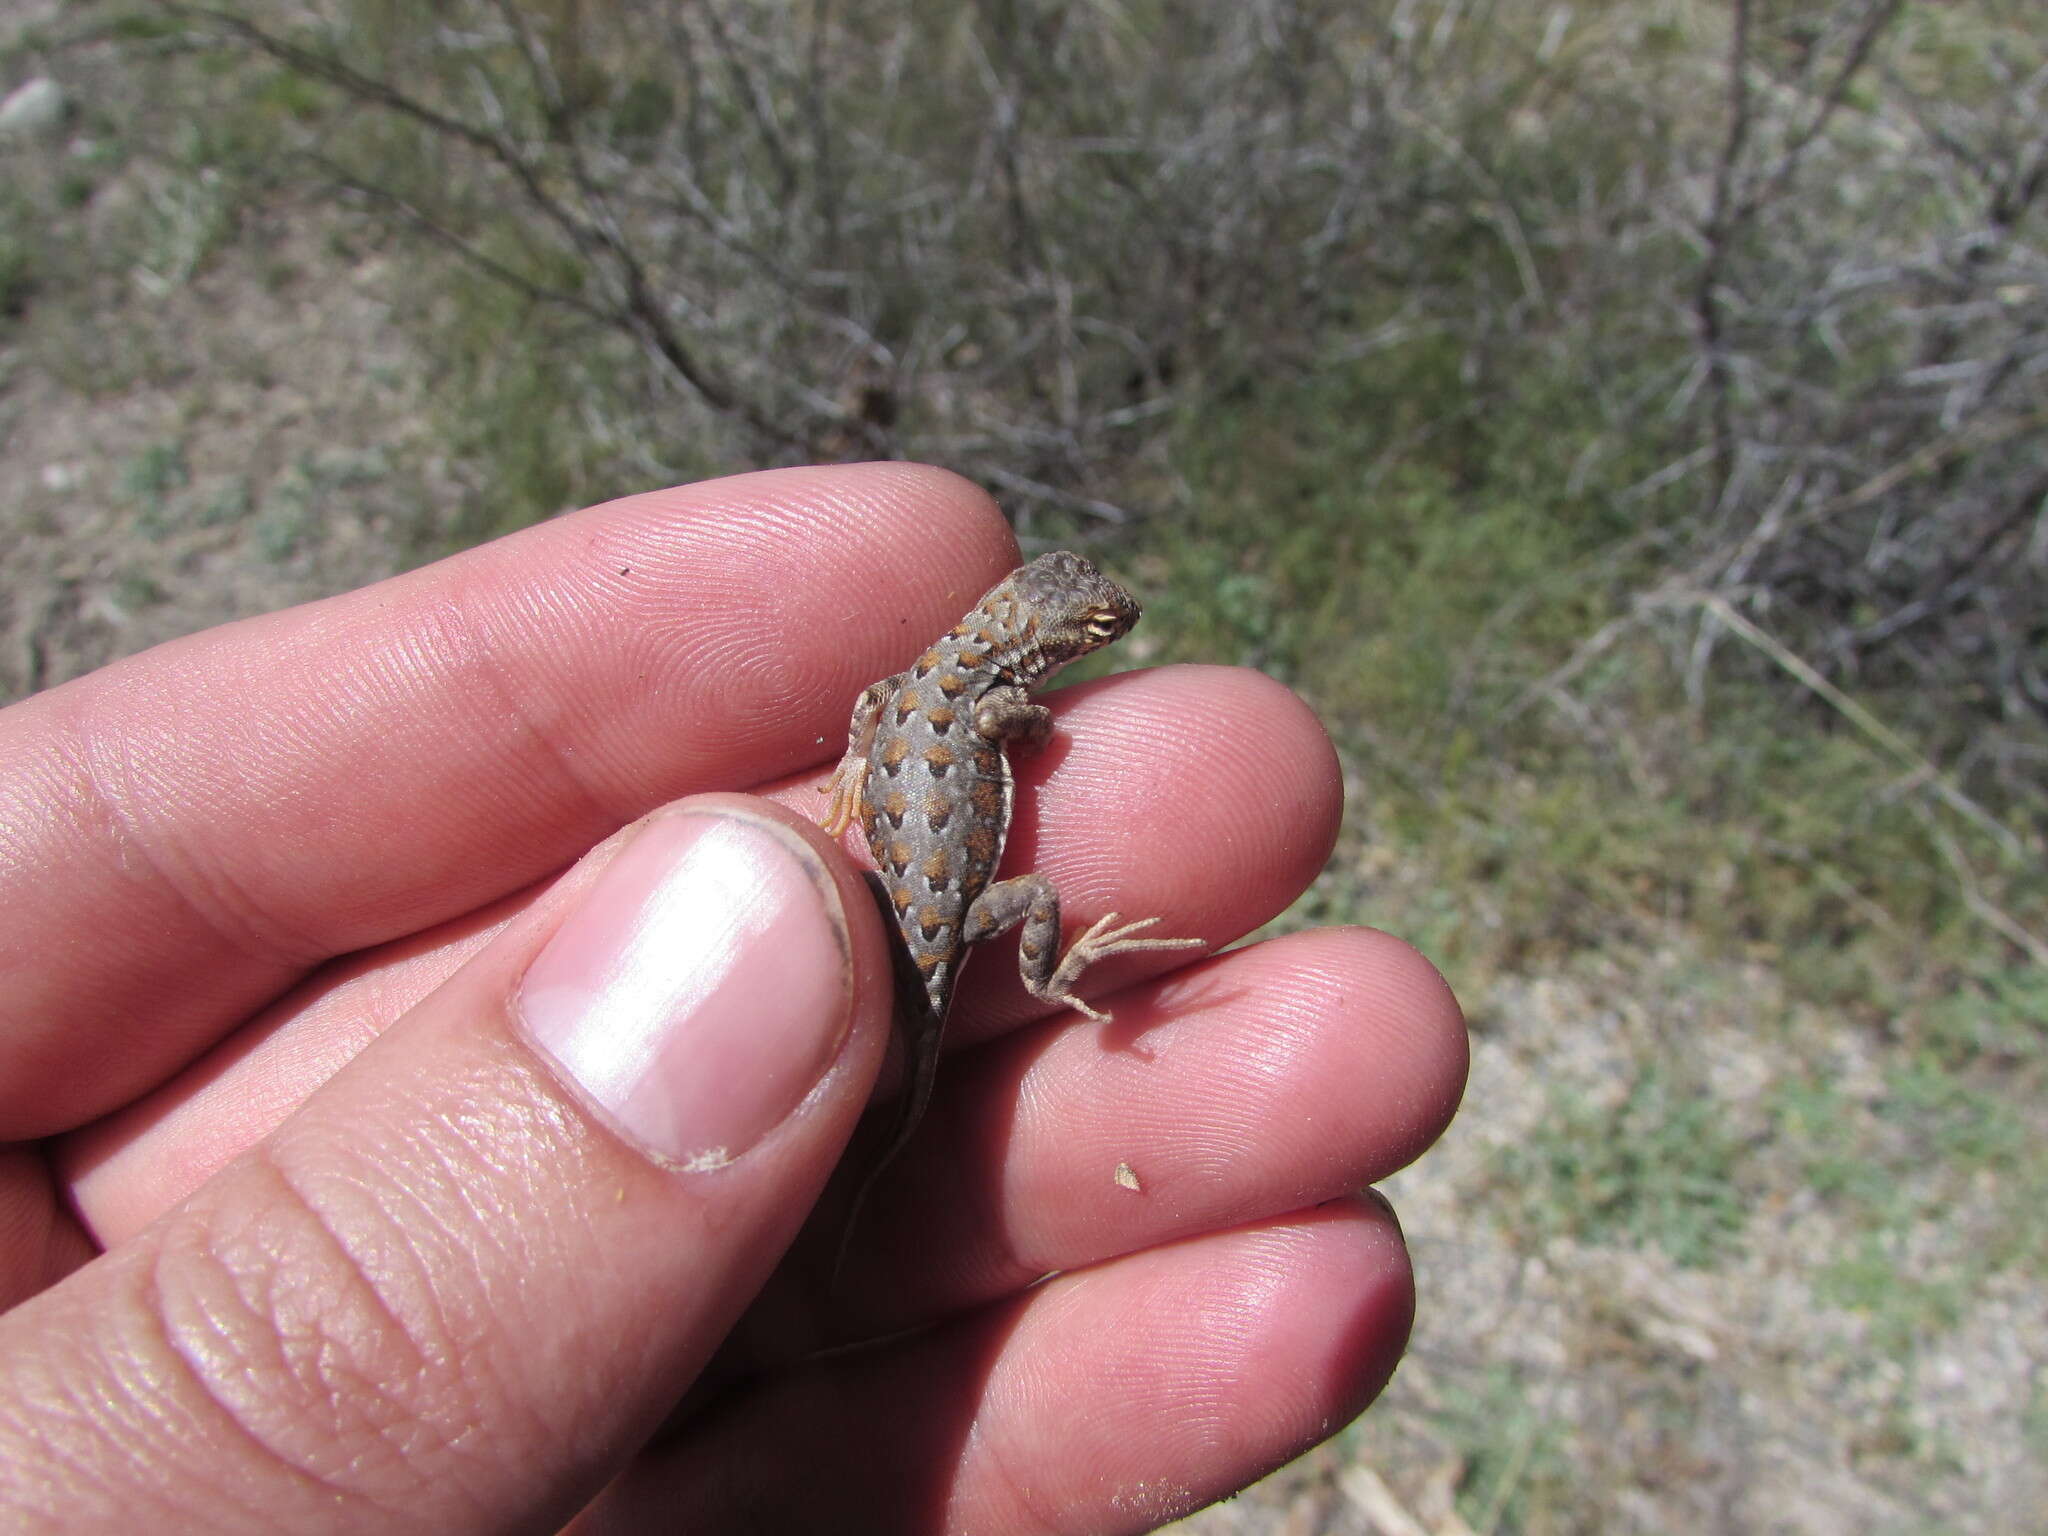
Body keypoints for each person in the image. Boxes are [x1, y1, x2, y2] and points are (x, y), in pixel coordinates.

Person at [0, 464, 1466, 1532]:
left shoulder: (923, 686)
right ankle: (1061, 983)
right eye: (1090, 635)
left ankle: (999, 1032)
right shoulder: (1001, 707)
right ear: (1041, 643)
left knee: (892, 1120)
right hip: (944, 918)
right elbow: (998, 733)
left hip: (911, 892)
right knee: (960, 1018)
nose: (1096, 643)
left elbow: (883, 720)